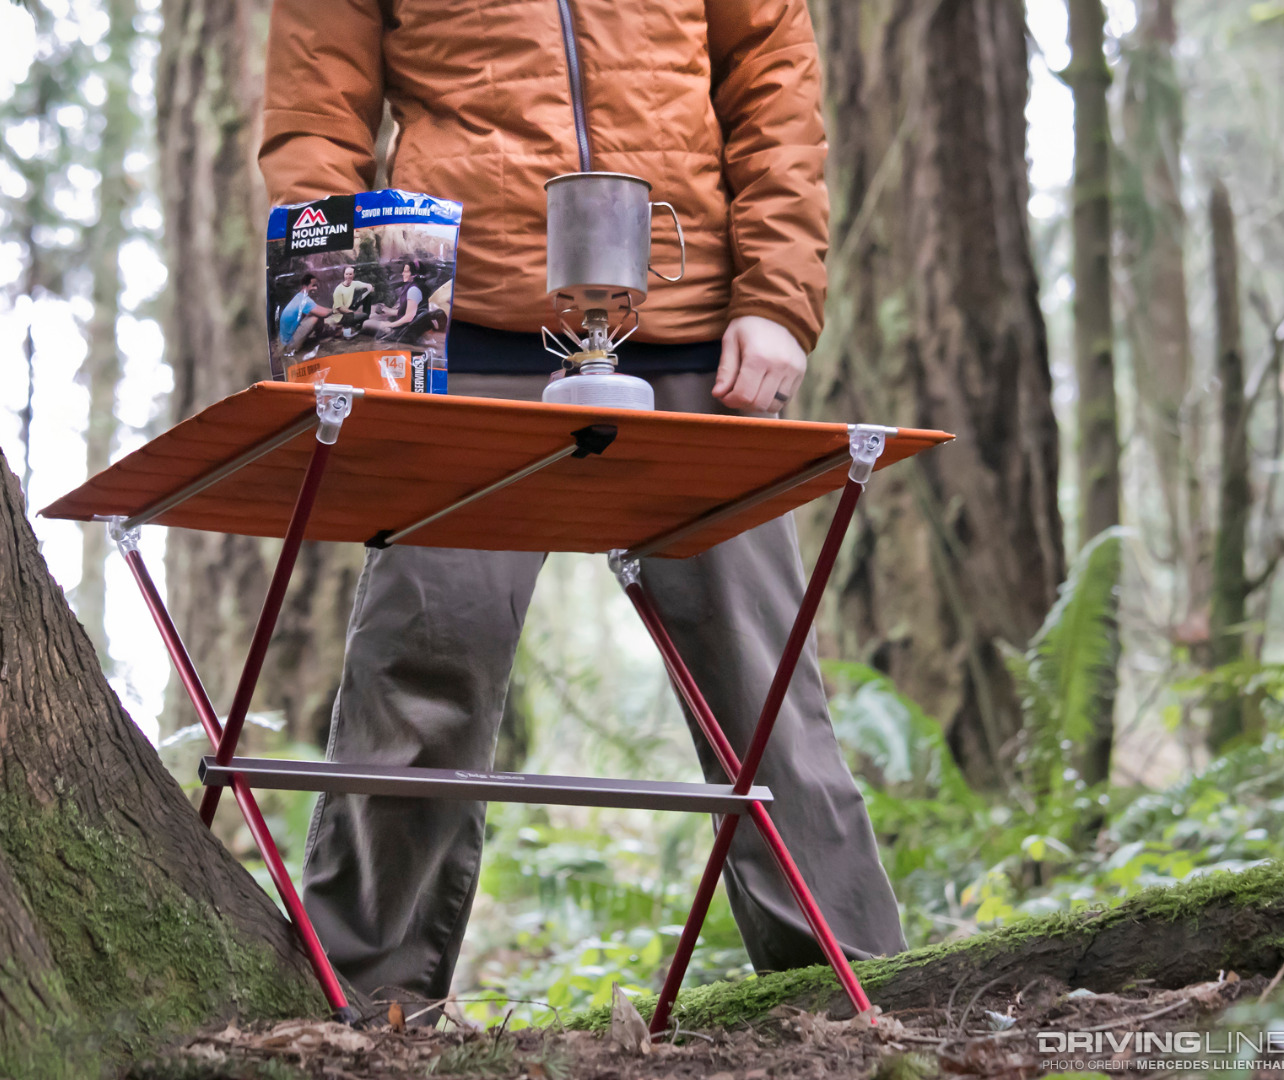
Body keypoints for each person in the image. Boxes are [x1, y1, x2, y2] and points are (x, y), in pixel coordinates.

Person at [259, 0, 907, 1005]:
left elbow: (773, 78)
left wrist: (778, 297)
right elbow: (316, 114)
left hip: (691, 328)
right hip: (459, 324)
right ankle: (360, 1005)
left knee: (761, 672)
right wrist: (349, 336)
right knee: (421, 663)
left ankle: (849, 996)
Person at [365, 259, 426, 339]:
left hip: (401, 330)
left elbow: (409, 317)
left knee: (366, 323)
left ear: (414, 274)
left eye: (406, 271)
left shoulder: (414, 290)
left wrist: (389, 325)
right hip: (401, 325)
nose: (403, 274)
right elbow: (406, 311)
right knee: (372, 317)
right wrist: (387, 311)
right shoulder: (409, 287)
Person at [278, 272, 336, 357]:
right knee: (315, 317)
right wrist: (337, 309)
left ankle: (320, 335)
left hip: (284, 339)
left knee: (313, 314)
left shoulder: (299, 296)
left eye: (316, 286)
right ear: (305, 287)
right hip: (288, 344)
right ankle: (294, 348)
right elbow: (324, 313)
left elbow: (319, 309)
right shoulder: (304, 300)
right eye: (313, 285)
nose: (316, 288)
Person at [328, 265, 376, 338]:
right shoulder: (338, 289)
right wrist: (354, 312)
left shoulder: (354, 283)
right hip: (341, 315)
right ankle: (345, 329)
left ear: (353, 275)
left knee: (367, 296)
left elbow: (367, 285)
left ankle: (361, 322)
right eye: (346, 274)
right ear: (344, 275)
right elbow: (340, 308)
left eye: (350, 274)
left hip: (349, 308)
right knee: (360, 315)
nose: (348, 276)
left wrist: (370, 288)